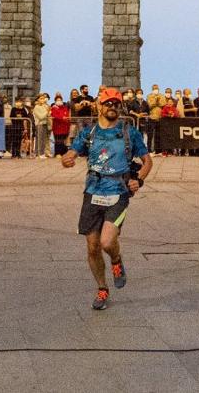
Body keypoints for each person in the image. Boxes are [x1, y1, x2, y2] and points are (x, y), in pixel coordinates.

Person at [62, 87, 152, 311]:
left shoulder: (130, 132)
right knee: (92, 247)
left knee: (106, 242)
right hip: (92, 191)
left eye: (116, 104)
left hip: (118, 192)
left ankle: (116, 259)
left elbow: (148, 161)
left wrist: (138, 179)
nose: (112, 107)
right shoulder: (89, 132)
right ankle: (102, 288)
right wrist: (68, 157)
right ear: (98, 106)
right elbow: (73, 151)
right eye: (108, 103)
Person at [33, 93, 51, 159]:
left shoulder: (44, 106)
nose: (43, 100)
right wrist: (47, 112)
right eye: (41, 98)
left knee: (43, 139)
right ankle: (39, 153)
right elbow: (41, 117)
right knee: (39, 139)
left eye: (43, 98)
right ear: (37, 100)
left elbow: (47, 115)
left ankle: (41, 153)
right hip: (39, 124)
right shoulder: (36, 107)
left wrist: (48, 113)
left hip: (45, 124)